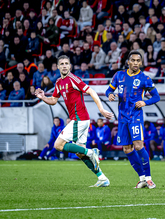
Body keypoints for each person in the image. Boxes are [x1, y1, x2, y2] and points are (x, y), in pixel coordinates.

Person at [35, 55, 113, 187]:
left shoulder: (74, 79)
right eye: (62, 64)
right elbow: (53, 101)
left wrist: (102, 109)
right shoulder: (59, 82)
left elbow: (92, 92)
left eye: (67, 63)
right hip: (80, 120)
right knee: (79, 152)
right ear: (58, 67)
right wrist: (43, 97)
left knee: (58, 145)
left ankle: (91, 152)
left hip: (79, 119)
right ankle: (102, 178)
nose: (64, 66)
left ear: (70, 66)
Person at [105, 51, 160, 189]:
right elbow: (108, 91)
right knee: (127, 149)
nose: (135, 63)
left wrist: (144, 102)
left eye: (138, 61)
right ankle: (141, 179)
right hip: (122, 117)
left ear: (141, 63)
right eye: (133, 60)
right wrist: (110, 95)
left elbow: (156, 97)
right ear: (128, 62)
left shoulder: (144, 78)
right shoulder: (119, 75)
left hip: (135, 116)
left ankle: (149, 178)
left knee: (138, 145)